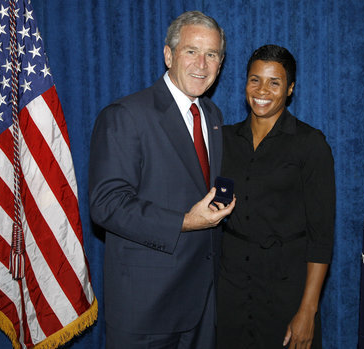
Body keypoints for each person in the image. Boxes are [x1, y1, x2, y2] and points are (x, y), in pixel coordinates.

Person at [88, 11, 235, 349]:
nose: (202, 63)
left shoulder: (212, 115)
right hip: (147, 310)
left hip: (202, 306)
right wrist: (185, 222)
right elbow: (106, 205)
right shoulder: (125, 115)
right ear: (168, 55)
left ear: (221, 62)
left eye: (212, 54)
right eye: (191, 51)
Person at [217, 45, 335, 349]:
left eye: (274, 82)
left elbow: (321, 237)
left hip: (285, 295)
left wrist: (307, 311)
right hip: (229, 293)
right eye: (255, 80)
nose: (262, 90)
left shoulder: (310, 144)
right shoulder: (223, 140)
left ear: (290, 88)